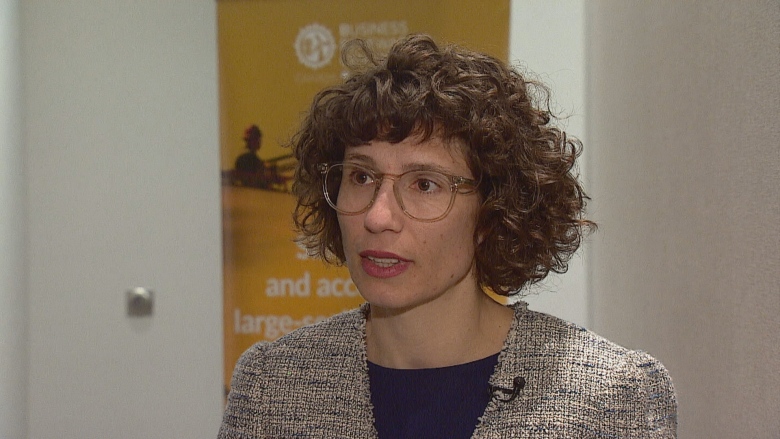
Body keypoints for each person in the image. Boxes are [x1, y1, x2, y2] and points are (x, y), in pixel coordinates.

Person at [218, 34, 677, 438]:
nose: (378, 216)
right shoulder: (271, 385)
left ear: (494, 210)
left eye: (424, 184)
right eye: (360, 176)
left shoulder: (611, 397)